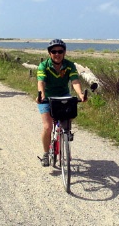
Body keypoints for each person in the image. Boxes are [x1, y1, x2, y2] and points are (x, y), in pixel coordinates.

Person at [36, 39, 86, 167]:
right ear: (49, 53)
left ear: (64, 52)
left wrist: (80, 94)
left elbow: (74, 81)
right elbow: (41, 82)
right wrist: (41, 94)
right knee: (48, 127)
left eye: (60, 51)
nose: (57, 54)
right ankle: (46, 154)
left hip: (63, 96)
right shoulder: (44, 66)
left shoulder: (69, 65)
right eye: (54, 51)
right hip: (47, 98)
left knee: (71, 112)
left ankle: (66, 130)